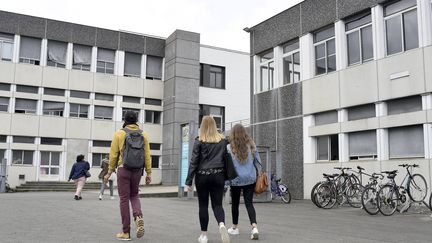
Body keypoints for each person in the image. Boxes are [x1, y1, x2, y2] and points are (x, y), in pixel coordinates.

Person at [104, 110, 152, 241]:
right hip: (137, 170)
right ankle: (138, 216)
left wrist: (109, 172)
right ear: (136, 120)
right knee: (134, 195)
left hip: (123, 169)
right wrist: (148, 173)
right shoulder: (144, 134)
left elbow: (113, 155)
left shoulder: (119, 133)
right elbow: (147, 155)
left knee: (124, 199)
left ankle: (126, 232)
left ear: (125, 119)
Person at [185, 116, 230, 243]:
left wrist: (189, 181)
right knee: (217, 204)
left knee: (203, 205)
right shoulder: (223, 141)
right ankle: (221, 224)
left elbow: (194, 162)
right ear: (215, 126)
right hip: (218, 175)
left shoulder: (199, 141)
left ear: (202, 127)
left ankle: (204, 236)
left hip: (202, 176)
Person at [226, 124, 260, 240]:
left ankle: (235, 228)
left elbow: (228, 166)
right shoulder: (251, 145)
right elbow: (257, 162)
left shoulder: (229, 148)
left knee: (235, 204)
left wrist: (226, 181)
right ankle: (254, 227)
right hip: (250, 179)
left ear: (233, 134)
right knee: (249, 203)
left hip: (236, 180)